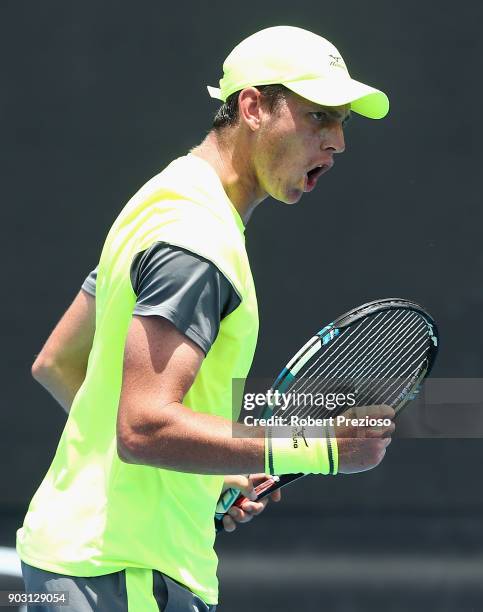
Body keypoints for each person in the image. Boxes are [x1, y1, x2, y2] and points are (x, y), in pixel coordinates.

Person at [17, 25, 394, 612]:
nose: (339, 141)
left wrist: (207, 473)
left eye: (343, 121)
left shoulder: (160, 200)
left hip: (60, 573)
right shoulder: (197, 241)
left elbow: (57, 363)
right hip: (124, 578)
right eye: (320, 117)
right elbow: (143, 427)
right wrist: (320, 446)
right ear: (252, 107)